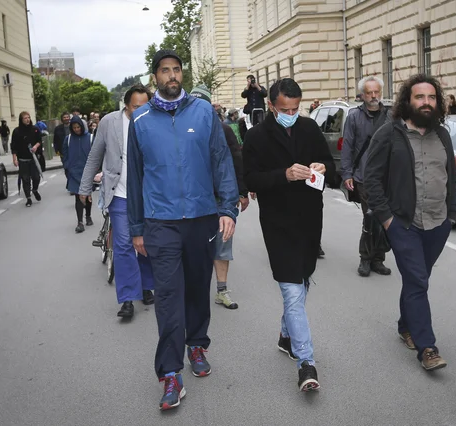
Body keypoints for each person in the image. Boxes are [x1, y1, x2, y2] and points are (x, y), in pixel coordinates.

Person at [127, 49, 239, 411]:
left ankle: (197, 344)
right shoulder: (140, 120)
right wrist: (136, 228)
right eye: (165, 71)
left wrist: (227, 207)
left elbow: (221, 161)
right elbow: (135, 178)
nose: (172, 76)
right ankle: (170, 373)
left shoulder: (204, 112)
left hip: (202, 217)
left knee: (196, 287)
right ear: (155, 77)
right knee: (168, 296)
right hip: (160, 222)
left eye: (176, 70)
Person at [243, 78, 335, 392]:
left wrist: (323, 168)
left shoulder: (310, 129)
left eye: (296, 109)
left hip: (310, 220)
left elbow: (332, 171)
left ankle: (286, 336)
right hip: (278, 224)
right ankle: (306, 363)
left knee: (304, 280)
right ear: (271, 105)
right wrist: (284, 174)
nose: (291, 114)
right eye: (285, 109)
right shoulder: (256, 136)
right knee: (293, 292)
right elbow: (250, 177)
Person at [364, 73, 456, 371]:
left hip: (438, 222)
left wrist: (451, 215)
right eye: (420, 97)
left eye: (431, 97)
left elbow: (451, 177)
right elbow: (372, 179)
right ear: (408, 100)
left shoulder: (441, 134)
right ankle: (427, 348)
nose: (426, 102)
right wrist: (387, 219)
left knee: (418, 279)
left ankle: (406, 325)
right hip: (403, 223)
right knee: (417, 279)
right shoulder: (390, 133)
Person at [78, 84, 155, 318]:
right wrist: (84, 187)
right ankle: (128, 299)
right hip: (119, 194)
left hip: (147, 196)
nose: (139, 111)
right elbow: (95, 155)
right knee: (123, 246)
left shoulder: (153, 121)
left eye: (144, 106)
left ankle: (144, 284)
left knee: (145, 244)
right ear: (126, 105)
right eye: (135, 107)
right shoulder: (109, 122)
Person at [190, 85, 249, 310]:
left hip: (221, 200)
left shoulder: (223, 130)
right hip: (194, 201)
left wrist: (241, 192)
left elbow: (236, 161)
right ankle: (195, 291)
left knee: (223, 246)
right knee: (195, 248)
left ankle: (222, 291)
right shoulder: (183, 131)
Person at [340, 76, 392, 277]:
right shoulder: (354, 117)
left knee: (384, 218)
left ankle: (378, 259)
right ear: (362, 95)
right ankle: (365, 259)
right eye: (369, 92)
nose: (373, 96)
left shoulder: (390, 116)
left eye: (376, 92)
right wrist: (347, 174)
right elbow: (347, 147)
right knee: (370, 218)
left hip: (387, 177)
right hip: (363, 177)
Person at [63, 116, 93, 233]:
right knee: (78, 197)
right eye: (74, 127)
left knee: (87, 195)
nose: (76, 129)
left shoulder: (90, 138)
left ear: (82, 126)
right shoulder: (68, 139)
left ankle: (88, 215)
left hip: (87, 171)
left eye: (78, 127)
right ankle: (80, 222)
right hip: (74, 172)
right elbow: (64, 154)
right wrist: (67, 166)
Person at [11, 111, 42, 207]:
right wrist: (14, 159)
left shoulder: (35, 129)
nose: (28, 119)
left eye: (28, 117)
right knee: (25, 179)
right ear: (21, 120)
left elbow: (39, 141)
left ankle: (35, 189)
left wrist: (36, 146)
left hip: (33, 158)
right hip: (22, 159)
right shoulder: (16, 131)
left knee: (36, 177)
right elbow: (14, 146)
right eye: (25, 118)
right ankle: (28, 198)